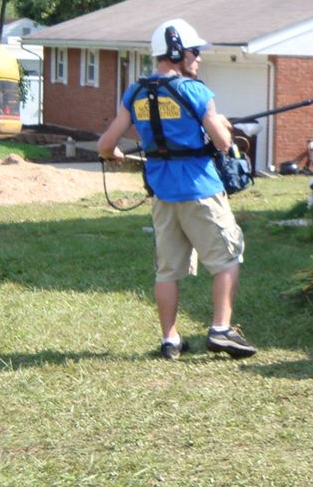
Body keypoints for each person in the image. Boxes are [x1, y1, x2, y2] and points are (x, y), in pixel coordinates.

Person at [97, 18, 257, 360]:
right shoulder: (196, 91)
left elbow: (106, 143)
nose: (198, 59)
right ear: (176, 51)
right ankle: (221, 330)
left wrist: (114, 154)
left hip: (162, 194)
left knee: (167, 271)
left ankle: (170, 340)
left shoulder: (136, 92)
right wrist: (221, 122)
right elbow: (223, 142)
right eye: (194, 52)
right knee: (228, 259)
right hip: (201, 191)